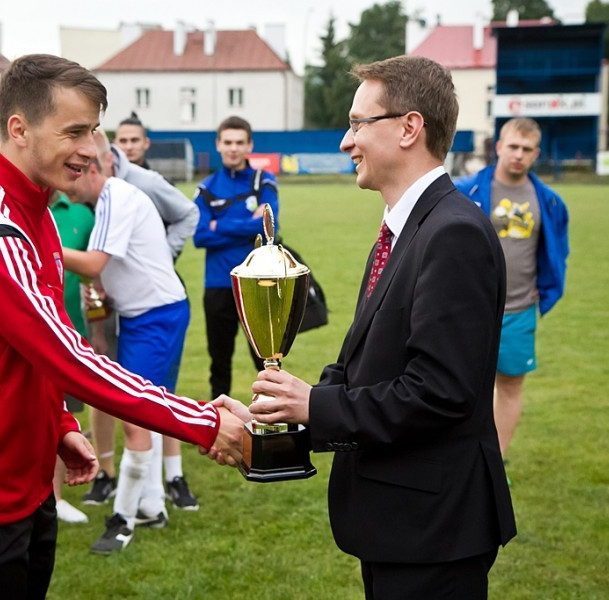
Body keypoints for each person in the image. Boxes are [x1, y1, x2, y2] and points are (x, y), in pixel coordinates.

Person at [0, 54, 245, 599]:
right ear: (19, 129)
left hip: (25, 486)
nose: (91, 148)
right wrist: (202, 421)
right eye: (75, 131)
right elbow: (67, 355)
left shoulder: (37, 213)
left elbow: (34, 346)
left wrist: (58, 424)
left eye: (94, 131)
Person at [217, 56, 517, 599]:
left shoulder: (452, 234)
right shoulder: (407, 228)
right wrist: (280, 420)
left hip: (434, 529)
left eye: (358, 123)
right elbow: (369, 368)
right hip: (403, 522)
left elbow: (440, 391)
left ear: (409, 128)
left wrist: (315, 405)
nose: (344, 141)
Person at [64, 133, 192, 553]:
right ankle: (152, 506)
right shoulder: (103, 202)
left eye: (73, 175)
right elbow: (99, 277)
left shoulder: (117, 196)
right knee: (146, 411)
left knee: (134, 415)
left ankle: (123, 518)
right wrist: (99, 328)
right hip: (147, 316)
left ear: (95, 169)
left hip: (156, 317)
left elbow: (94, 263)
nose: (66, 186)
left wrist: (38, 243)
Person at [455, 117, 569, 461]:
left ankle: (495, 459)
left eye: (527, 149)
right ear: (499, 147)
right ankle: (459, 455)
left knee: (509, 386)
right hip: (468, 309)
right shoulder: (464, 191)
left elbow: (557, 250)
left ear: (536, 154)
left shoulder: (548, 201)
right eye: (513, 147)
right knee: (459, 386)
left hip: (518, 310)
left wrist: (546, 288)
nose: (519, 155)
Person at [193, 116, 276, 399]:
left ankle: (275, 420)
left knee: (266, 359)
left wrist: (220, 224)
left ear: (249, 145)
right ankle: (218, 426)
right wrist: (245, 226)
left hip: (257, 282)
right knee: (219, 360)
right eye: (228, 142)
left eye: (240, 142)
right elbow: (199, 236)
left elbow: (266, 225)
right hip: (217, 284)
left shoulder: (263, 180)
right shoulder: (206, 188)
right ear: (218, 144)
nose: (233, 148)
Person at [49, 190, 95, 524]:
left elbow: (96, 268)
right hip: (31, 330)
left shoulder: (82, 215)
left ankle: (55, 497)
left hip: (72, 329)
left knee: (61, 416)